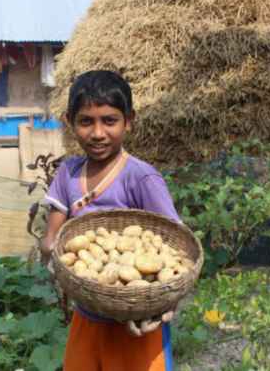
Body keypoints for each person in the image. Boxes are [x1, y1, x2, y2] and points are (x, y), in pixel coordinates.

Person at [41, 70, 182, 371]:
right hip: (88, 317)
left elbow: (174, 251)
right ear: (69, 121)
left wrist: (164, 303)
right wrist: (54, 258)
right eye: (86, 121)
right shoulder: (68, 173)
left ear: (128, 121)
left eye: (109, 120)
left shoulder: (141, 178)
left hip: (137, 323)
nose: (97, 133)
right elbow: (52, 238)